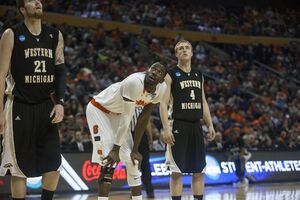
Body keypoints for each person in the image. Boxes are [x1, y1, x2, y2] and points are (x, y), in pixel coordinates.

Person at [0, 0, 66, 199]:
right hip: (19, 105)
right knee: (19, 169)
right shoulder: (11, 34)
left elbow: (60, 70)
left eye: (39, 0)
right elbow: (1, 74)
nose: (37, 2)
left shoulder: (55, 35)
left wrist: (61, 102)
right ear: (22, 9)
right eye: (30, 0)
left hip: (46, 106)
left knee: (53, 165)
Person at [86, 62, 167, 200]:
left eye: (159, 72)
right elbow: (127, 118)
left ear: (162, 79)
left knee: (132, 159)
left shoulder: (161, 90)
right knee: (108, 159)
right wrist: (115, 149)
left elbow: (143, 119)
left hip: (117, 114)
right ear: (148, 69)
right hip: (99, 110)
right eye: (153, 68)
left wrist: (135, 150)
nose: (154, 72)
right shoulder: (134, 82)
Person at [159, 40, 216, 200]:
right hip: (178, 124)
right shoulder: (170, 74)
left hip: (196, 125)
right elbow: (162, 103)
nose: (184, 50)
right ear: (176, 54)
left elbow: (203, 101)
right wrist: (166, 128)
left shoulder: (199, 74)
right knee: (177, 171)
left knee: (199, 170)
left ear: (191, 53)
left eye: (187, 48)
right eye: (180, 49)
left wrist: (210, 124)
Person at [130, 108, 155, 198]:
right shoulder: (126, 102)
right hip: (129, 135)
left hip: (142, 135)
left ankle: (149, 190)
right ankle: (134, 191)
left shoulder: (142, 104)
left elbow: (147, 121)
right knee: (131, 164)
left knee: (145, 164)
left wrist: (150, 138)